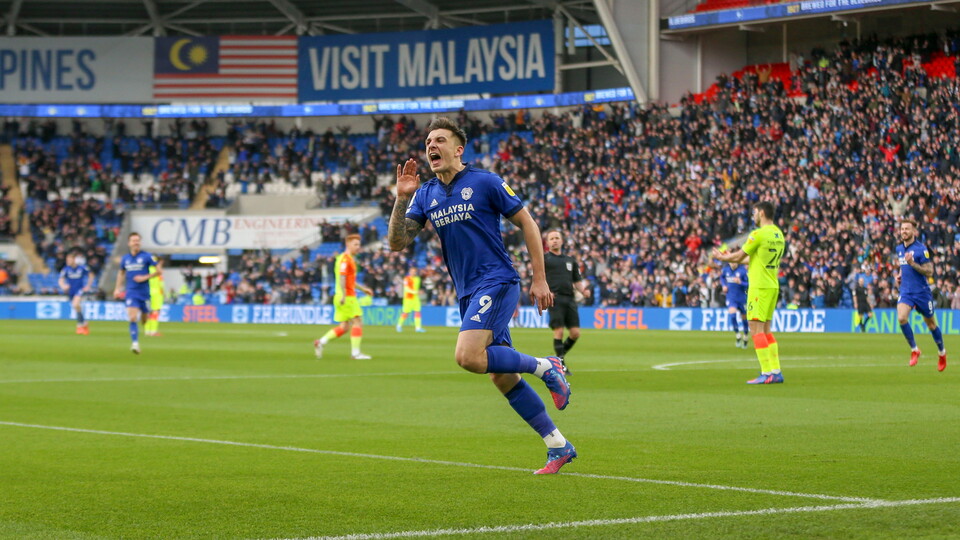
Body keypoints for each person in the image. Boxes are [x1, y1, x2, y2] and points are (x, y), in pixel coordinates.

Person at [387, 117, 574, 475]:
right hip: (468, 292)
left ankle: (546, 366)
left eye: (440, 140)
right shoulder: (425, 194)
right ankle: (558, 446)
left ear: (459, 149)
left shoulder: (485, 182)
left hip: (496, 281)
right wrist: (402, 197)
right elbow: (397, 242)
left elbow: (528, 223)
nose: (431, 146)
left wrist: (539, 278)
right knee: (501, 375)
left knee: (468, 356)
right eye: (428, 142)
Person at [712, 201, 786, 384]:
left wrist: (722, 257)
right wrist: (732, 258)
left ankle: (766, 372)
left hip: (759, 286)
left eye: (754, 212)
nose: (753, 215)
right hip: (772, 285)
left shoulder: (758, 234)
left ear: (761, 213)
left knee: (755, 328)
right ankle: (776, 371)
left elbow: (739, 256)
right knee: (766, 329)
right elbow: (755, 259)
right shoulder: (778, 234)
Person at [895, 218, 946, 371]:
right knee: (901, 318)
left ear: (914, 231)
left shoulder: (921, 249)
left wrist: (913, 264)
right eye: (902, 229)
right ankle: (914, 350)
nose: (904, 231)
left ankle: (942, 353)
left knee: (931, 324)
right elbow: (903, 265)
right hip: (906, 291)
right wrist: (900, 275)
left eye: (907, 229)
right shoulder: (899, 248)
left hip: (922, 293)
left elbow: (929, 271)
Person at [314, 234, 374, 360]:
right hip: (347, 297)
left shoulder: (345, 258)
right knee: (358, 322)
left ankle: (321, 342)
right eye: (355, 244)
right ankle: (355, 353)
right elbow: (342, 278)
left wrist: (363, 289)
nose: (358, 247)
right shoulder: (345, 260)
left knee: (344, 327)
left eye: (359, 244)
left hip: (341, 296)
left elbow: (349, 280)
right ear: (348, 244)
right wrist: (344, 295)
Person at [543, 229, 590, 373]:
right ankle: (561, 365)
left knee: (575, 333)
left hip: (570, 298)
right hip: (554, 298)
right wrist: (546, 291)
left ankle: (557, 359)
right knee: (559, 331)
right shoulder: (545, 259)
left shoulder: (570, 260)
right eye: (552, 239)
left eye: (557, 238)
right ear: (547, 243)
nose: (555, 241)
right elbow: (539, 277)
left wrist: (583, 291)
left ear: (562, 241)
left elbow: (577, 281)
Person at [113, 232, 161, 354]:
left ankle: (144, 318)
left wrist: (144, 277)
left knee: (144, 320)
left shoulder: (147, 256)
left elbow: (159, 271)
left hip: (144, 293)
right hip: (131, 292)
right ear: (129, 243)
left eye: (138, 240)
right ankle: (135, 344)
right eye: (134, 241)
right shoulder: (125, 259)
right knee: (132, 317)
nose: (136, 243)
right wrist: (117, 288)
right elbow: (121, 273)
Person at [58, 250, 93, 335]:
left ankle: (79, 325)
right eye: (67, 260)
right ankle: (84, 323)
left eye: (69, 259)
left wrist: (88, 286)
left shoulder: (82, 268)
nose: (67, 261)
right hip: (71, 291)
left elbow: (91, 275)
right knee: (77, 307)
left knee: (76, 304)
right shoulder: (66, 269)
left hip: (79, 289)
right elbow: (60, 279)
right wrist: (63, 286)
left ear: (74, 259)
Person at [719, 261, 749, 348]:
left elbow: (748, 284)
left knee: (744, 319)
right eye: (731, 262)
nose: (733, 264)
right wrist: (724, 285)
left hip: (742, 298)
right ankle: (737, 334)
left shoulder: (743, 271)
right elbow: (722, 277)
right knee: (732, 316)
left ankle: (746, 335)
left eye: (735, 262)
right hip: (731, 298)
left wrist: (741, 282)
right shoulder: (726, 270)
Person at [396, 267, 425, 333]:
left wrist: (419, 291)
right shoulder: (406, 279)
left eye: (414, 271)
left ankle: (418, 328)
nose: (413, 272)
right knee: (406, 313)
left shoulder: (418, 279)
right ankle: (399, 325)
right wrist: (416, 292)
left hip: (416, 298)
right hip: (408, 298)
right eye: (412, 271)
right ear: (409, 272)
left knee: (418, 312)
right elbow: (407, 289)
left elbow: (418, 287)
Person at [144, 256, 164, 337]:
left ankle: (147, 331)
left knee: (148, 312)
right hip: (156, 294)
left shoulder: (145, 270)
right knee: (155, 312)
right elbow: (161, 285)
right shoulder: (157, 271)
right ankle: (153, 331)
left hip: (146, 293)